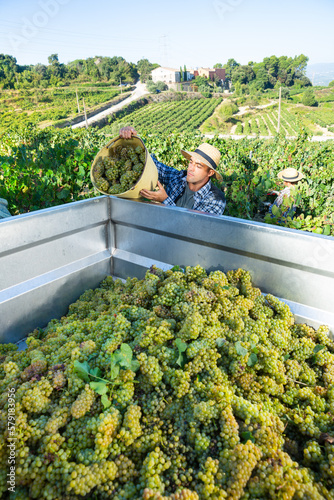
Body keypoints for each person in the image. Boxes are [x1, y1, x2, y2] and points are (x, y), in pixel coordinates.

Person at [119, 126, 226, 216]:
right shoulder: (178, 178)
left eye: (198, 166)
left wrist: (165, 200)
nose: (190, 168)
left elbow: (194, 228)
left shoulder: (216, 200)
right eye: (191, 162)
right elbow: (154, 166)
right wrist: (134, 141)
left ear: (210, 173)